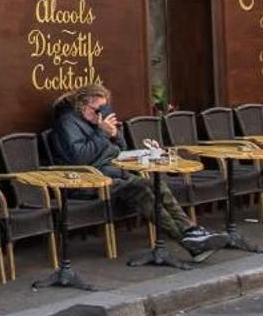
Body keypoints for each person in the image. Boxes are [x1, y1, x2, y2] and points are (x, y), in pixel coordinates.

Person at [47, 82, 226, 260]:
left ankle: (192, 231)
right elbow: (80, 158)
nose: (102, 114)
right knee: (140, 190)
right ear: (84, 106)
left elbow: (120, 149)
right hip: (85, 182)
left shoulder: (94, 122)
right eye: (98, 109)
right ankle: (188, 242)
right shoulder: (67, 123)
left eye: (104, 108)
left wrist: (115, 135)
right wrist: (101, 134)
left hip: (111, 174)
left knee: (156, 185)